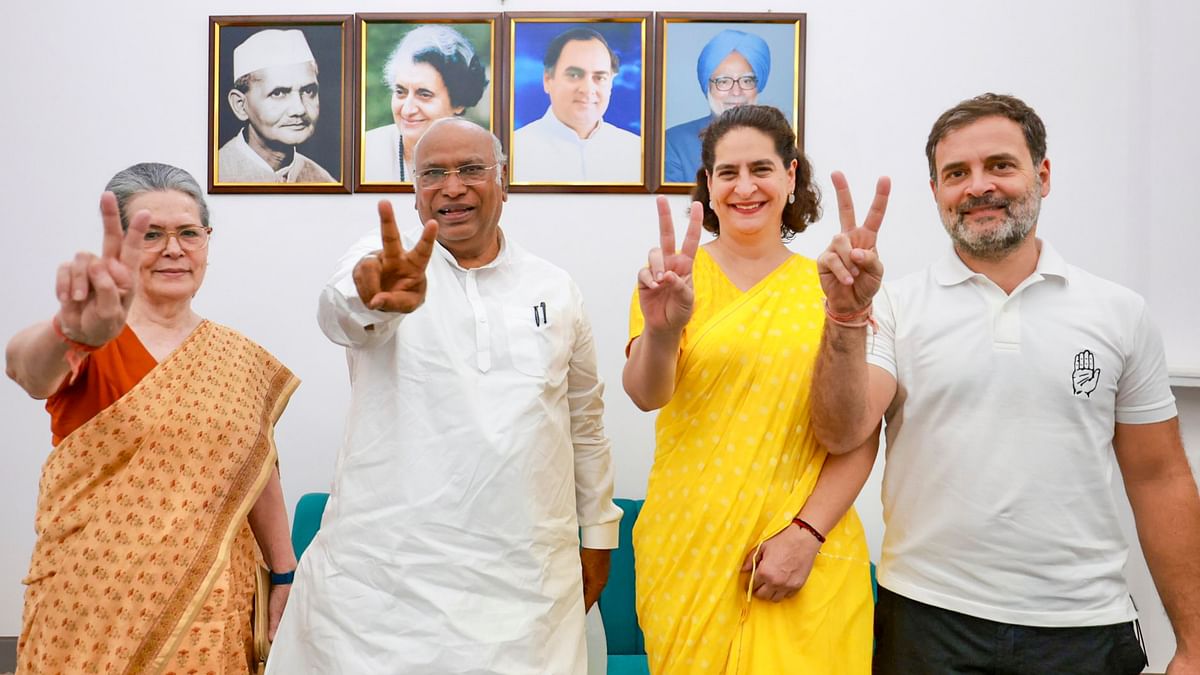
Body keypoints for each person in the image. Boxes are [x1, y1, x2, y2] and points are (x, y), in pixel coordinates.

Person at [811, 93, 1200, 674]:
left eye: (1000, 165)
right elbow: (841, 431)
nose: (978, 186)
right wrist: (844, 316)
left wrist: (1193, 645)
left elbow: (1160, 477)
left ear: (1041, 175)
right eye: (956, 174)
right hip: (926, 620)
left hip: (1084, 626)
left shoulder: (1119, 312)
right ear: (937, 192)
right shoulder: (893, 305)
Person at [267, 118, 623, 674]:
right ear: (414, 193)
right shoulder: (385, 260)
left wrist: (599, 531)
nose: (451, 187)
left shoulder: (554, 287)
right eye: (433, 173)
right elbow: (340, 311)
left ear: (502, 182)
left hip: (523, 585)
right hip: (383, 587)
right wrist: (374, 301)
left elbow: (584, 419)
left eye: (470, 170)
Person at [6, 163, 299, 673]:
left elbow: (257, 471)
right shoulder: (89, 339)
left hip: (207, 606)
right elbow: (26, 370)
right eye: (151, 234)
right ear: (118, 244)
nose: (173, 249)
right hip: (92, 606)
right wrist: (67, 331)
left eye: (189, 232)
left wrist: (285, 574)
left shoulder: (239, 357)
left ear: (208, 240)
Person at [622, 105, 877, 674]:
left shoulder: (835, 287)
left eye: (760, 169)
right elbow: (646, 394)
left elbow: (860, 433)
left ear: (790, 177)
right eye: (727, 172)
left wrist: (806, 534)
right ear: (708, 186)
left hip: (807, 551)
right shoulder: (673, 277)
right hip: (688, 551)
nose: (744, 187)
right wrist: (662, 330)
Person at [511, 27, 641, 183]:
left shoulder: (636, 151)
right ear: (547, 80)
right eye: (574, 75)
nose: (587, 89)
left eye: (599, 78)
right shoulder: (515, 150)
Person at [362, 24, 489, 183]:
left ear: (458, 102)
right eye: (400, 92)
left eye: (424, 94)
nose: (407, 110)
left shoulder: (485, 159)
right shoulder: (363, 152)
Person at [218, 29, 336, 184]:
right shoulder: (216, 173)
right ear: (240, 105)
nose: (299, 109)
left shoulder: (323, 180)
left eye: (308, 91)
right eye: (279, 93)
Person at [663, 28, 769, 184]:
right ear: (707, 87)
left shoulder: (777, 140)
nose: (736, 91)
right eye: (723, 81)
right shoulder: (675, 142)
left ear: (758, 87)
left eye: (747, 81)